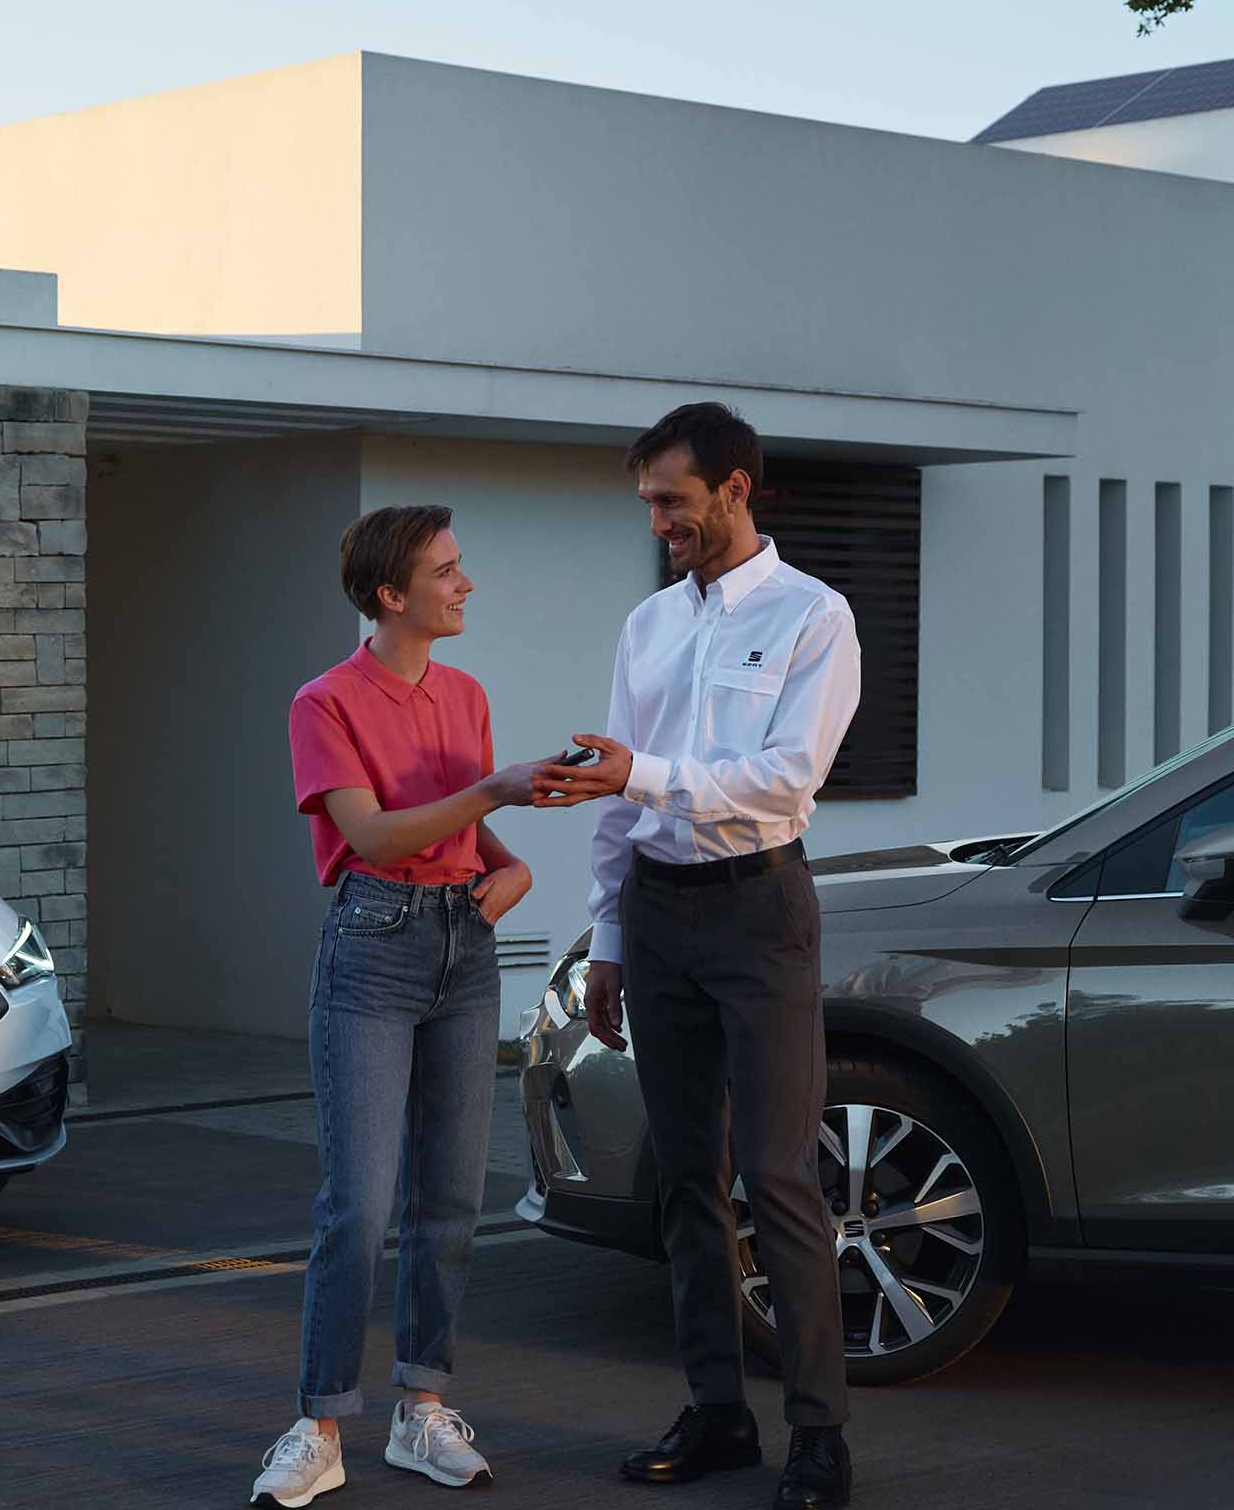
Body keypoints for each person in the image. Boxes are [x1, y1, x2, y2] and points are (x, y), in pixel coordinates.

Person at [538, 403, 864, 1509]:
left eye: (674, 502)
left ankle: (819, 1436)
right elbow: (609, 793)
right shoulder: (648, 625)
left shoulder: (817, 616)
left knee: (777, 1176)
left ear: (736, 488)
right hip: (661, 917)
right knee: (686, 1180)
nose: (661, 523)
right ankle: (719, 1412)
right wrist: (612, 941)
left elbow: (787, 779)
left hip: (760, 911)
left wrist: (641, 775)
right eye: (649, 506)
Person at [251, 504, 561, 1508]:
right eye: (447, 569)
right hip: (373, 951)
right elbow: (377, 838)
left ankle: (421, 1408)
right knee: (361, 1207)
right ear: (392, 594)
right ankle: (320, 1422)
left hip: (465, 949)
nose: (465, 584)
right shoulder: (324, 702)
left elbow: (470, 835)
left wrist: (512, 870)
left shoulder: (465, 695)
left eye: (461, 567)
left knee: (452, 1205)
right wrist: (497, 795)